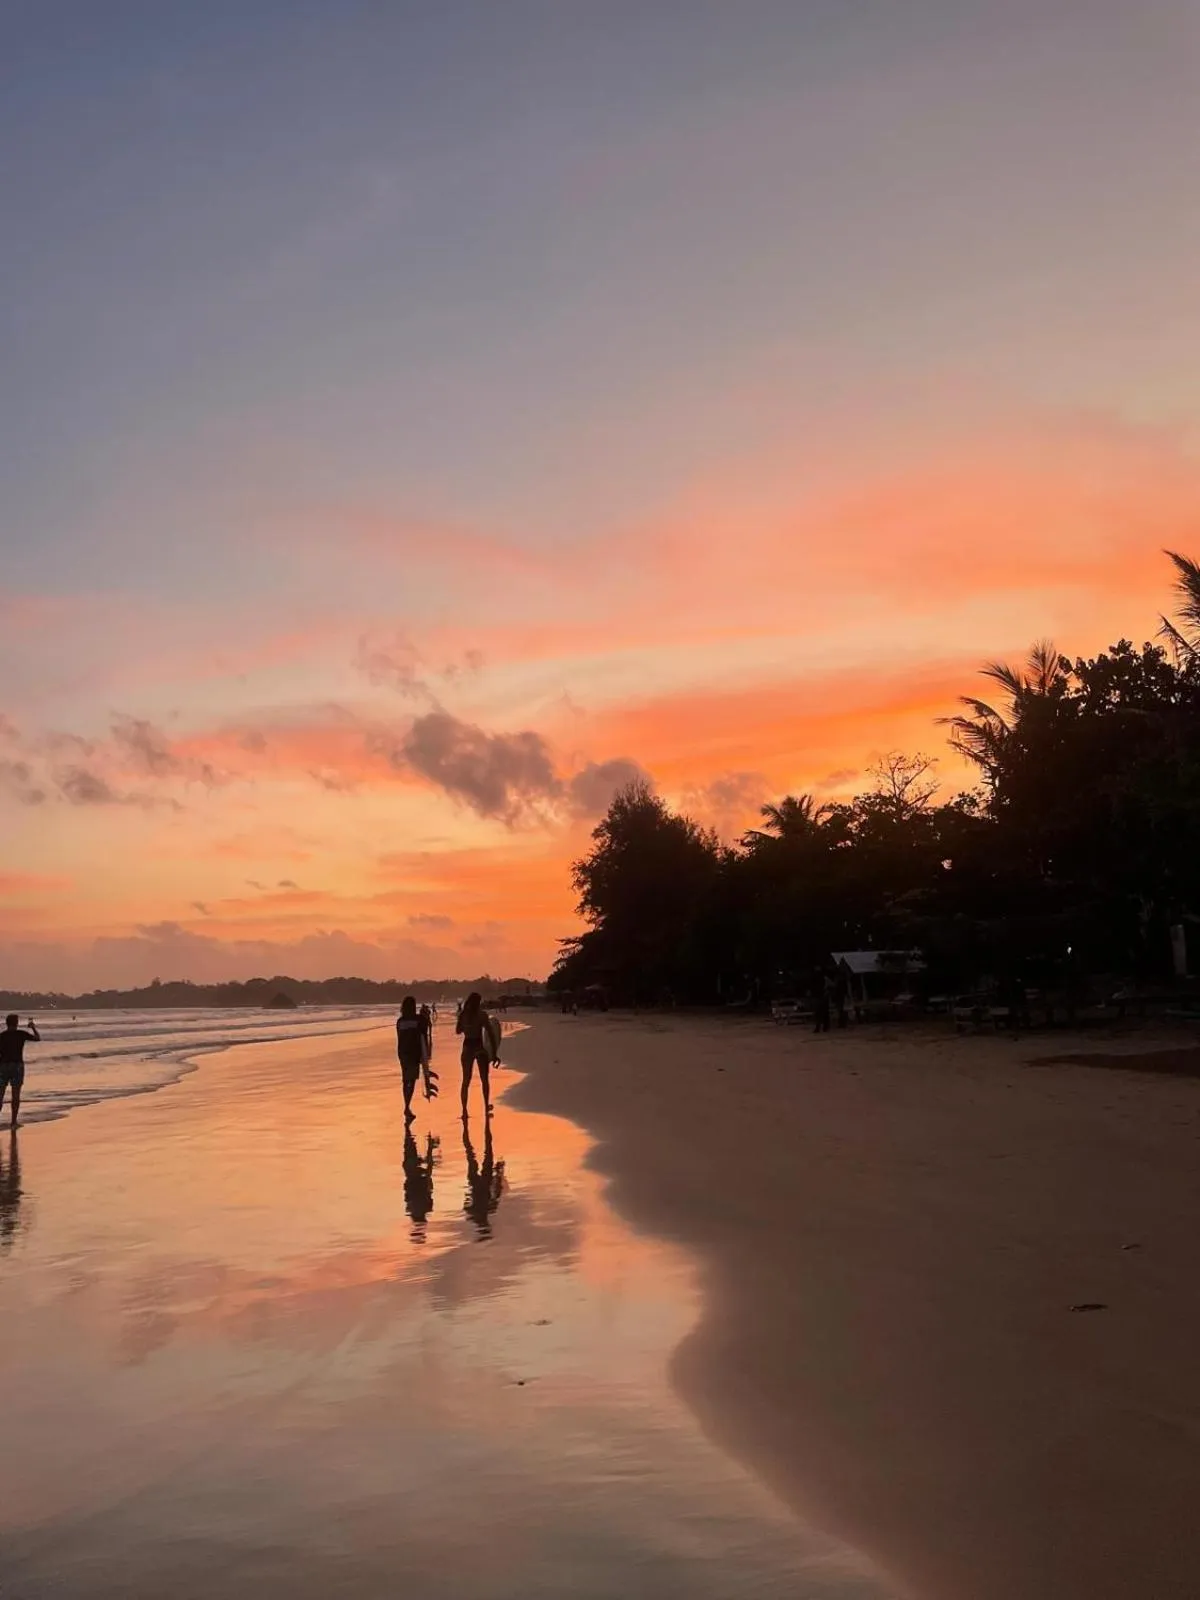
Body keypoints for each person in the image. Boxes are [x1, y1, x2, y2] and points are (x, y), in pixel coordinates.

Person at [456, 991, 496, 1119]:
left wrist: (465, 1024)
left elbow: (458, 1031)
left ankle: (464, 1111)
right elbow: (490, 1034)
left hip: (467, 1047)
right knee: (484, 1079)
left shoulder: (463, 1015)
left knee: (466, 1080)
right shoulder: (482, 1015)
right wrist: (494, 1053)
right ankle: (485, 1106)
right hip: (479, 1047)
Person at [0, 1015, 38, 1130]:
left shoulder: (1, 1036)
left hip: (3, 1066)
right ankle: (13, 1122)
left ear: (7, 1023)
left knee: (0, 1094)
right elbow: (37, 1038)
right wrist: (33, 1028)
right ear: (16, 1023)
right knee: (15, 1095)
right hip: (17, 1065)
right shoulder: (21, 1034)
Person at [395, 995, 427, 1123]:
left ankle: (407, 1106)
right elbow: (423, 1033)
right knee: (412, 1080)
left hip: (403, 1052)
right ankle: (407, 1106)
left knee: (405, 1080)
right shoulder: (418, 1020)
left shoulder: (400, 1021)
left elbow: (400, 1037)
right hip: (414, 1053)